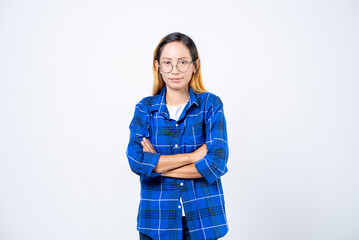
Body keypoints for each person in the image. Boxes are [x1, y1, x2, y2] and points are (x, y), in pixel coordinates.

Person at [126, 32, 229, 240]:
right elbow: (137, 161)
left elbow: (216, 163)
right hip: (156, 222)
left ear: (195, 65)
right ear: (158, 66)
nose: (175, 70)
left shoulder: (211, 105)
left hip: (204, 222)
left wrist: (156, 165)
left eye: (182, 62)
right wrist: (192, 157)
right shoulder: (145, 108)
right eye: (167, 63)